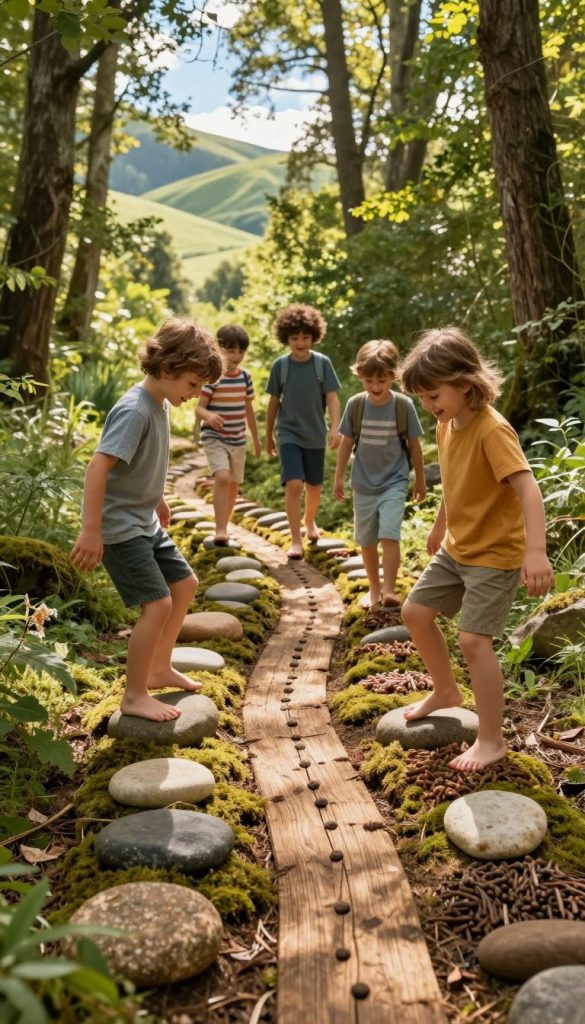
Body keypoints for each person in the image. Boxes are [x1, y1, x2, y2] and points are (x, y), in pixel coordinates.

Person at [399, 326, 555, 771]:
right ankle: (446, 691)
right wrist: (438, 525)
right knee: (415, 612)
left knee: (473, 640)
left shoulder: (492, 429)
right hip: (457, 547)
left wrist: (536, 551)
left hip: (494, 554)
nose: (429, 407)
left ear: (464, 383)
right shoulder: (448, 422)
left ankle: (491, 740)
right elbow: (455, 482)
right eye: (424, 399)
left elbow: (528, 489)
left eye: (433, 396)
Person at [70, 317, 223, 722]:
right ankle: (134, 695)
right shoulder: (135, 410)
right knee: (157, 605)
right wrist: (91, 530)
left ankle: (158, 667)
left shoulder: (160, 403)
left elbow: (138, 465)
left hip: (144, 520)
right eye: (193, 384)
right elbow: (98, 468)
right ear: (168, 369)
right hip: (119, 529)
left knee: (186, 584)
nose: (196, 394)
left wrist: (157, 500)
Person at [333, 339, 426, 608]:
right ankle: (373, 589)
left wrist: (419, 479)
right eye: (369, 381)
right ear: (360, 375)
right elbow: (347, 442)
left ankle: (388, 590)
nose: (375, 387)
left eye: (382, 381)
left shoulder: (402, 406)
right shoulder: (356, 405)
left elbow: (415, 446)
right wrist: (339, 476)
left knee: (389, 535)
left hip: (394, 481)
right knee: (367, 540)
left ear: (393, 377)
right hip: (363, 483)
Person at [265, 303, 341, 559]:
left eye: (305, 337)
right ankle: (296, 540)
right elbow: (273, 402)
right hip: (288, 433)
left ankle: (309, 521)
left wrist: (336, 428)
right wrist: (268, 436)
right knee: (295, 484)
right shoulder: (280, 366)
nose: (300, 342)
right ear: (285, 338)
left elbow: (332, 398)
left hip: (316, 434)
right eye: (294, 337)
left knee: (315, 486)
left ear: (314, 336)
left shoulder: (322, 364)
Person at [196, 324, 261, 545]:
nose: (236, 356)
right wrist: (209, 417)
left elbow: (249, 410)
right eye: (231, 351)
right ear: (220, 351)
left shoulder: (245, 378)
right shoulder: (214, 378)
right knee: (222, 477)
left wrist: (257, 439)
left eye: (240, 351)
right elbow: (199, 407)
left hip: (238, 439)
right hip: (215, 437)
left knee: (234, 484)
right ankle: (220, 529)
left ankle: (226, 522)